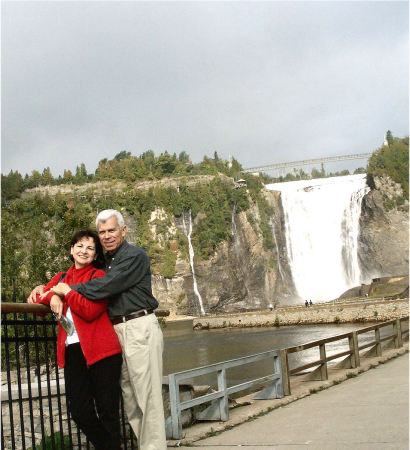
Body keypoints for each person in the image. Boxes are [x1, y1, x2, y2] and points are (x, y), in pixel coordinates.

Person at [38, 209, 166, 450]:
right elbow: (73, 279)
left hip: (138, 327)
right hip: (116, 331)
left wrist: (63, 291)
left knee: (147, 398)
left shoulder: (134, 256)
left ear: (123, 230)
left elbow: (104, 286)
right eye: (102, 231)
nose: (107, 236)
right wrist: (48, 290)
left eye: (112, 230)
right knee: (130, 400)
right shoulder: (106, 261)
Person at [27, 229, 123, 450]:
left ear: (95, 253)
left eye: (90, 248)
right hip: (73, 351)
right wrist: (52, 295)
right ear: (71, 250)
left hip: (103, 352)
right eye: (79, 246)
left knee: (108, 412)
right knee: (79, 411)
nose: (84, 251)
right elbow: (38, 304)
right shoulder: (61, 277)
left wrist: (67, 294)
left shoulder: (98, 277)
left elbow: (91, 310)